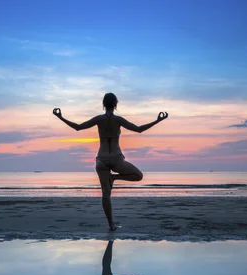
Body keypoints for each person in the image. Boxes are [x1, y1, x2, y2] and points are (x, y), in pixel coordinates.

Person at [53, 93, 168, 230]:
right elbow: (139, 129)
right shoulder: (118, 120)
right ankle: (114, 178)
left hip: (101, 160)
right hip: (116, 158)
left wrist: (60, 117)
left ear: (103, 104)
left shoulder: (99, 119)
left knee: (106, 195)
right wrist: (158, 121)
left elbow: (77, 127)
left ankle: (111, 224)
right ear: (115, 104)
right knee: (138, 176)